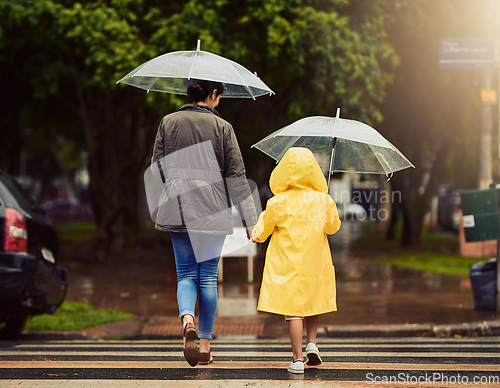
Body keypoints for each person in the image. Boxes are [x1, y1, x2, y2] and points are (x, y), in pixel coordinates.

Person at [150, 79, 257, 367]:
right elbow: (236, 175)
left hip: (178, 207)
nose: (219, 101)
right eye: (219, 96)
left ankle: (187, 321)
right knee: (208, 277)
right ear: (212, 94)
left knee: (185, 274)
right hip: (212, 208)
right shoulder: (223, 128)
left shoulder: (168, 122)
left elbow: (157, 165)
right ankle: (206, 348)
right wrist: (250, 218)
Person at [251, 147, 341, 374]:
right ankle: (312, 343)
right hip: (315, 262)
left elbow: (261, 233)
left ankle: (298, 359)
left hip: (287, 264)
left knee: (293, 310)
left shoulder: (278, 202)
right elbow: (333, 228)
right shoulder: (323, 200)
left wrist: (255, 232)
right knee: (313, 301)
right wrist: (328, 204)